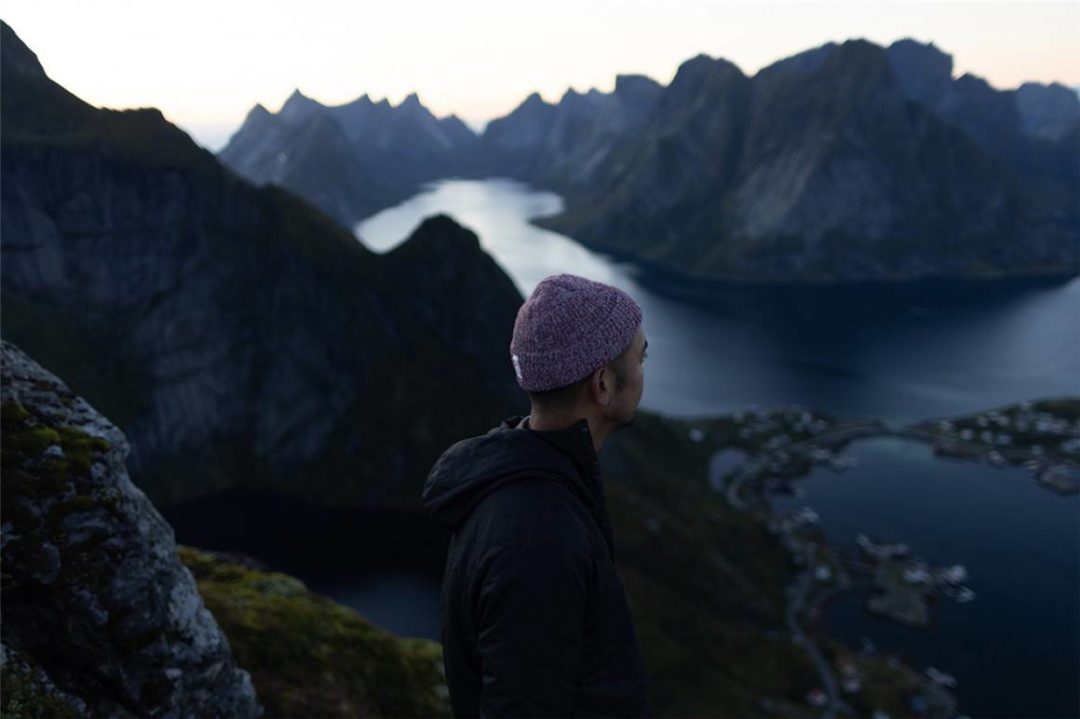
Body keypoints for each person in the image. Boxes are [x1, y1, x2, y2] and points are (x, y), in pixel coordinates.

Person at [422, 273, 650, 718]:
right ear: (602, 384)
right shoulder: (540, 540)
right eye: (641, 358)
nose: (644, 373)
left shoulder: (525, 483)